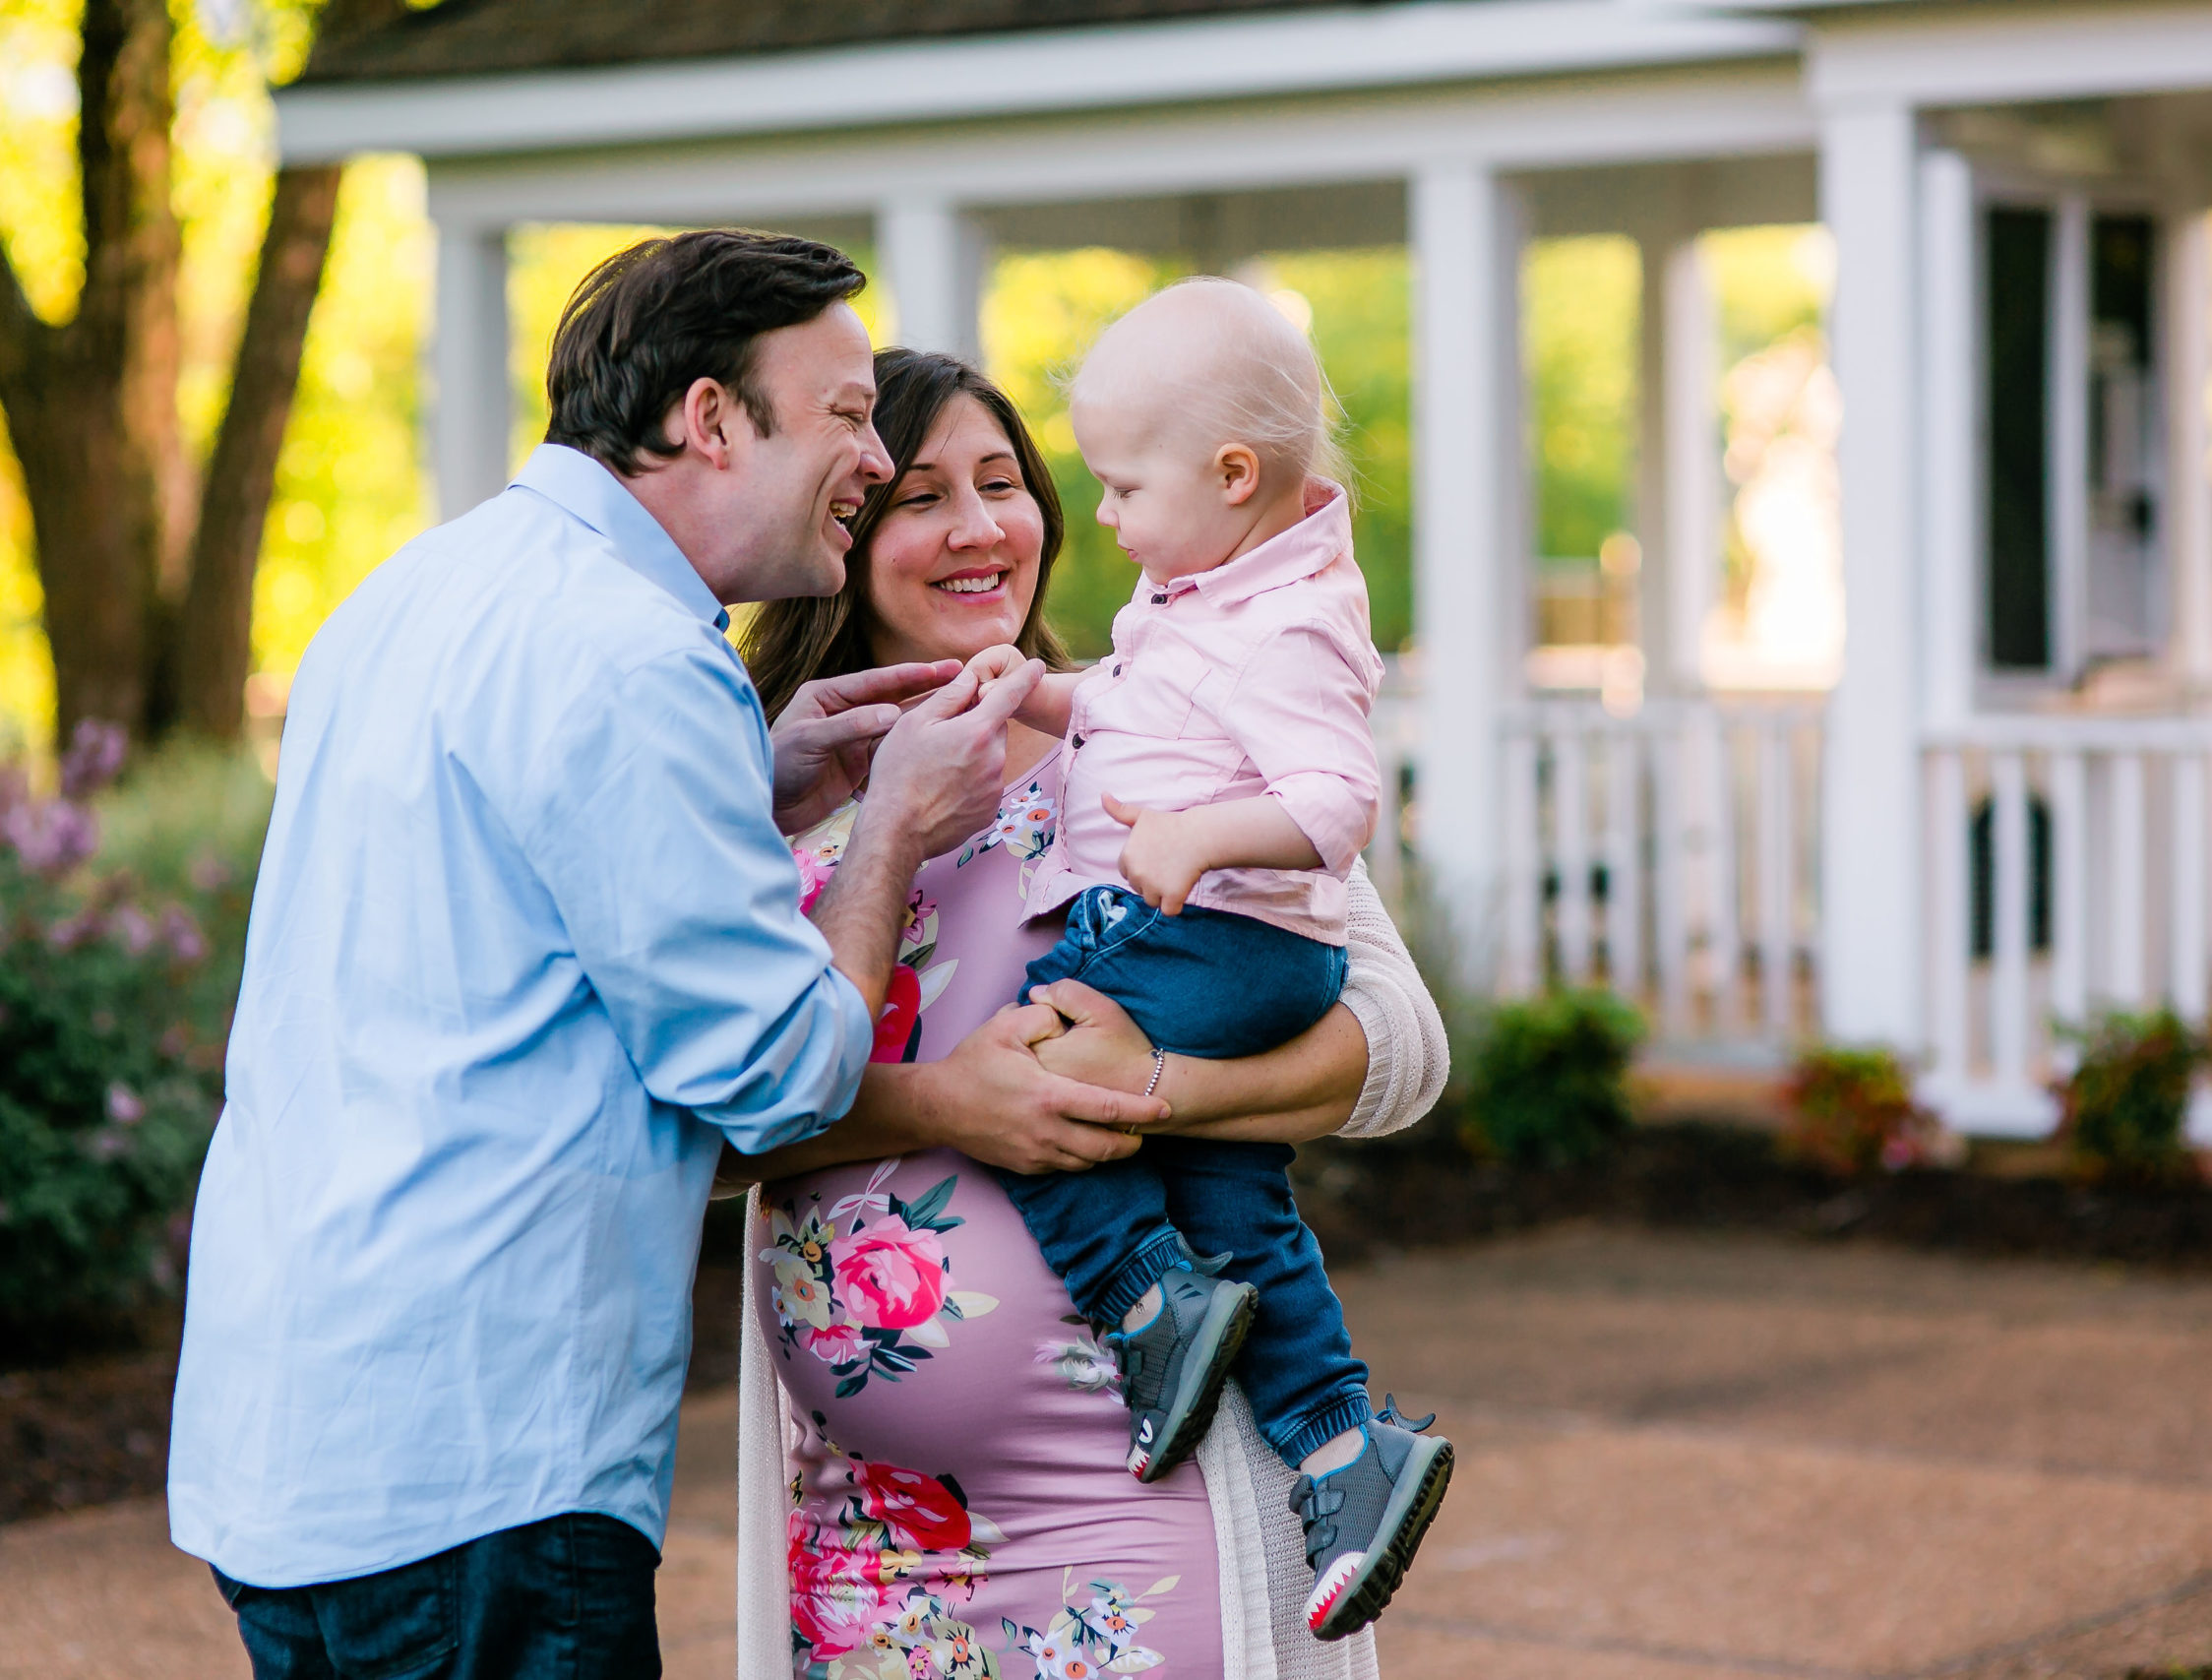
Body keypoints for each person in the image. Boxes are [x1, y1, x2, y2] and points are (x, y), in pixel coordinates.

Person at [166, 232, 1164, 1680]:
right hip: (484, 1472)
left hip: (296, 1455)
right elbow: (778, 1080)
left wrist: (756, 785)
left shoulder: (420, 592)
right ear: (709, 417)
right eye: (842, 414)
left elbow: (515, 901)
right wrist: (886, 832)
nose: (872, 460)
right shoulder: (635, 652)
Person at [729, 346, 1450, 1678]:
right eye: (920, 495)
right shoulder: (775, 795)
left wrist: (1153, 1089)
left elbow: (1401, 1047)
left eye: (1003, 484)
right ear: (843, 530)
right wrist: (950, 1105)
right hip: (868, 1554)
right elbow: (694, 1137)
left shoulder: (1149, 745)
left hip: (1138, 1525)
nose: (978, 527)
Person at [975, 279, 1451, 1642]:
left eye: (1121, 486)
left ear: (1233, 475)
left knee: (1034, 1067)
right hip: (1220, 943)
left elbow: (1333, 806)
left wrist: (1193, 838)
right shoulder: (1205, 600)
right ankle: (1342, 1446)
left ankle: (1150, 1302)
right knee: (1241, 1203)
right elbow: (1136, 713)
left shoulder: (1286, 620)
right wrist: (1034, 693)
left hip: (1227, 940)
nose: (1104, 516)